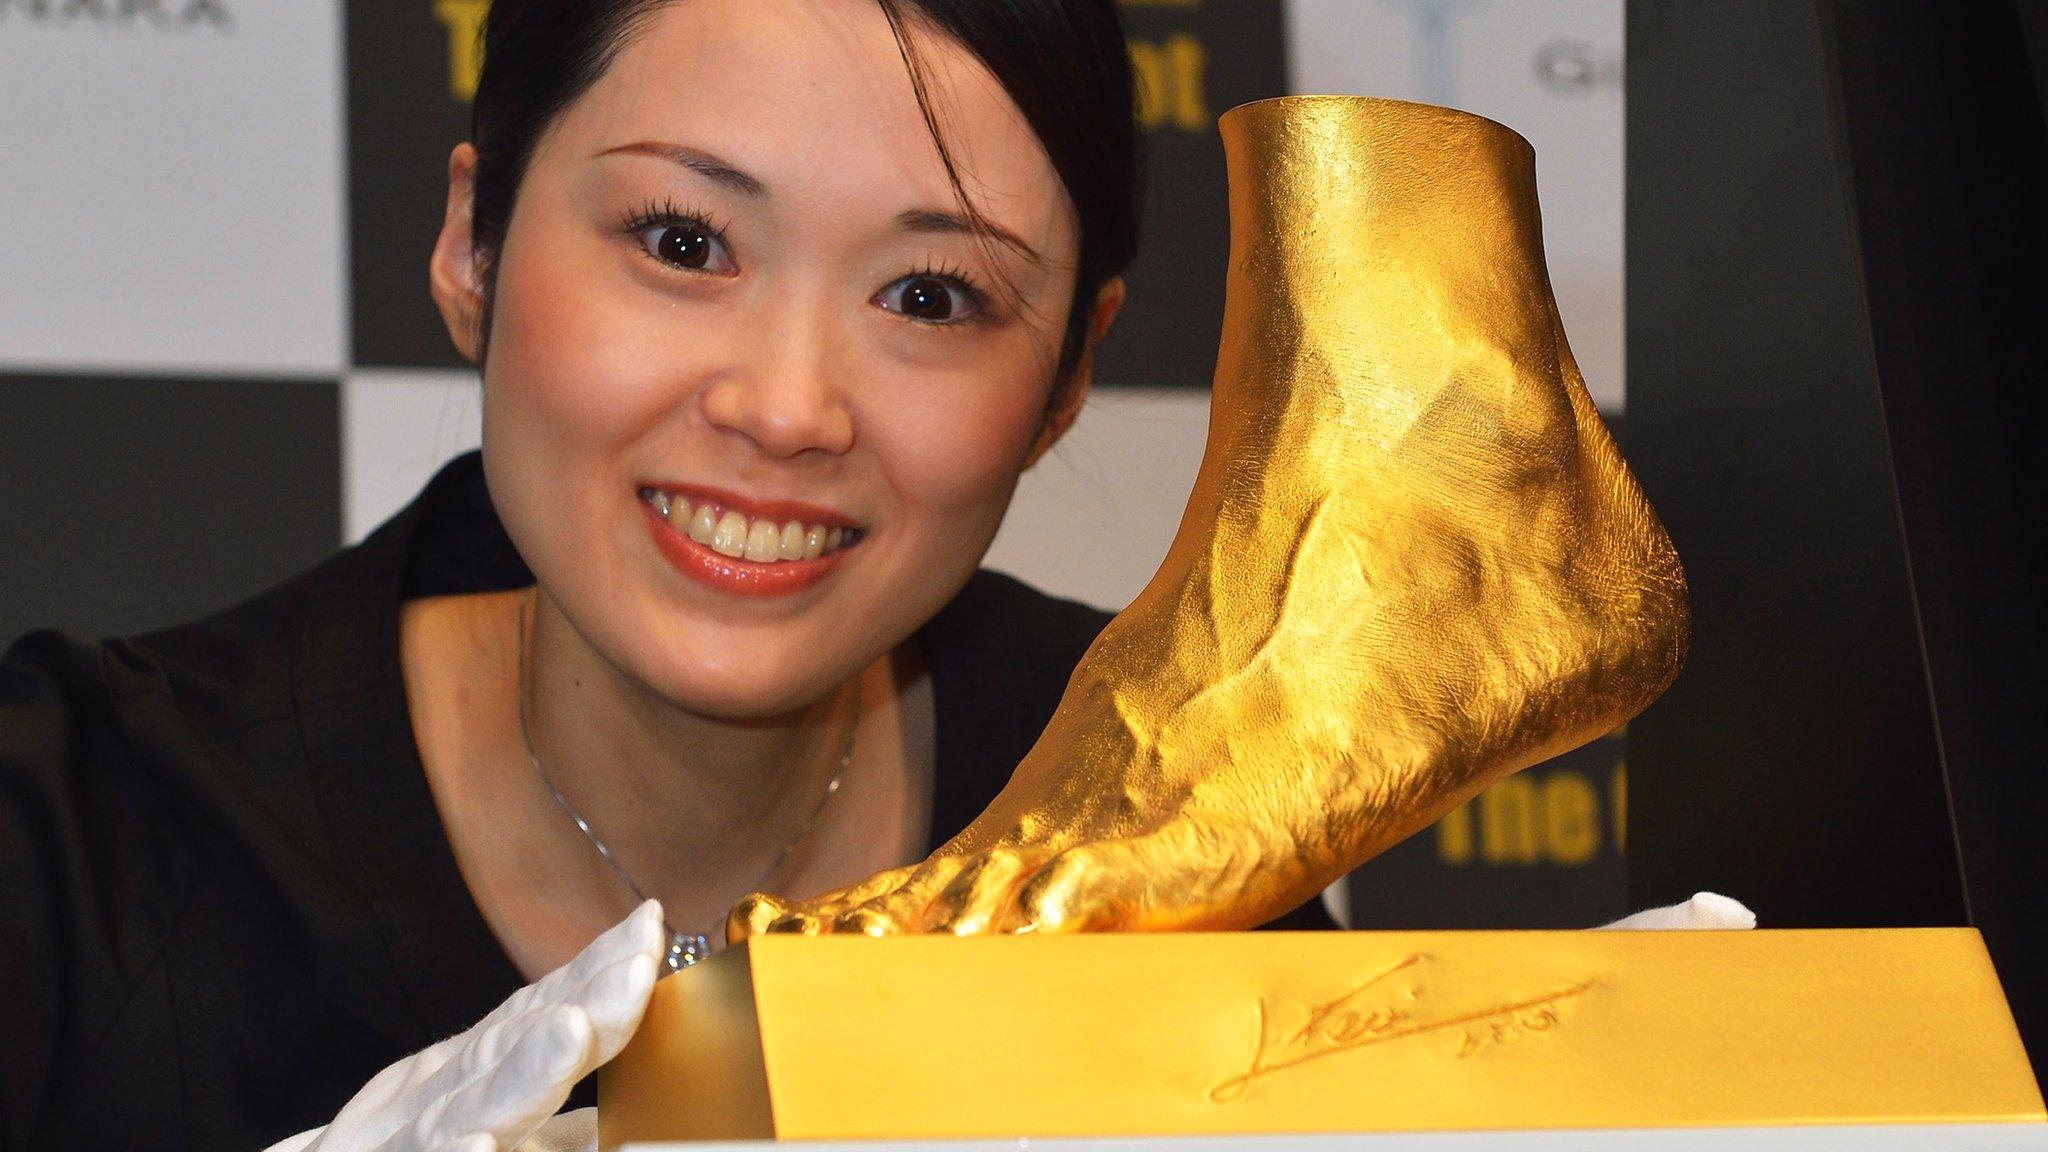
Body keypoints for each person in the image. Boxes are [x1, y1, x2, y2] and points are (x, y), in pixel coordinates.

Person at [0, 1, 1337, 1148]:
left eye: (930, 296)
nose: (788, 408)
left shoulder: (1175, 849)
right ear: (476, 243)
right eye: (685, 243)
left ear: (1066, 378)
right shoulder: (76, 853)